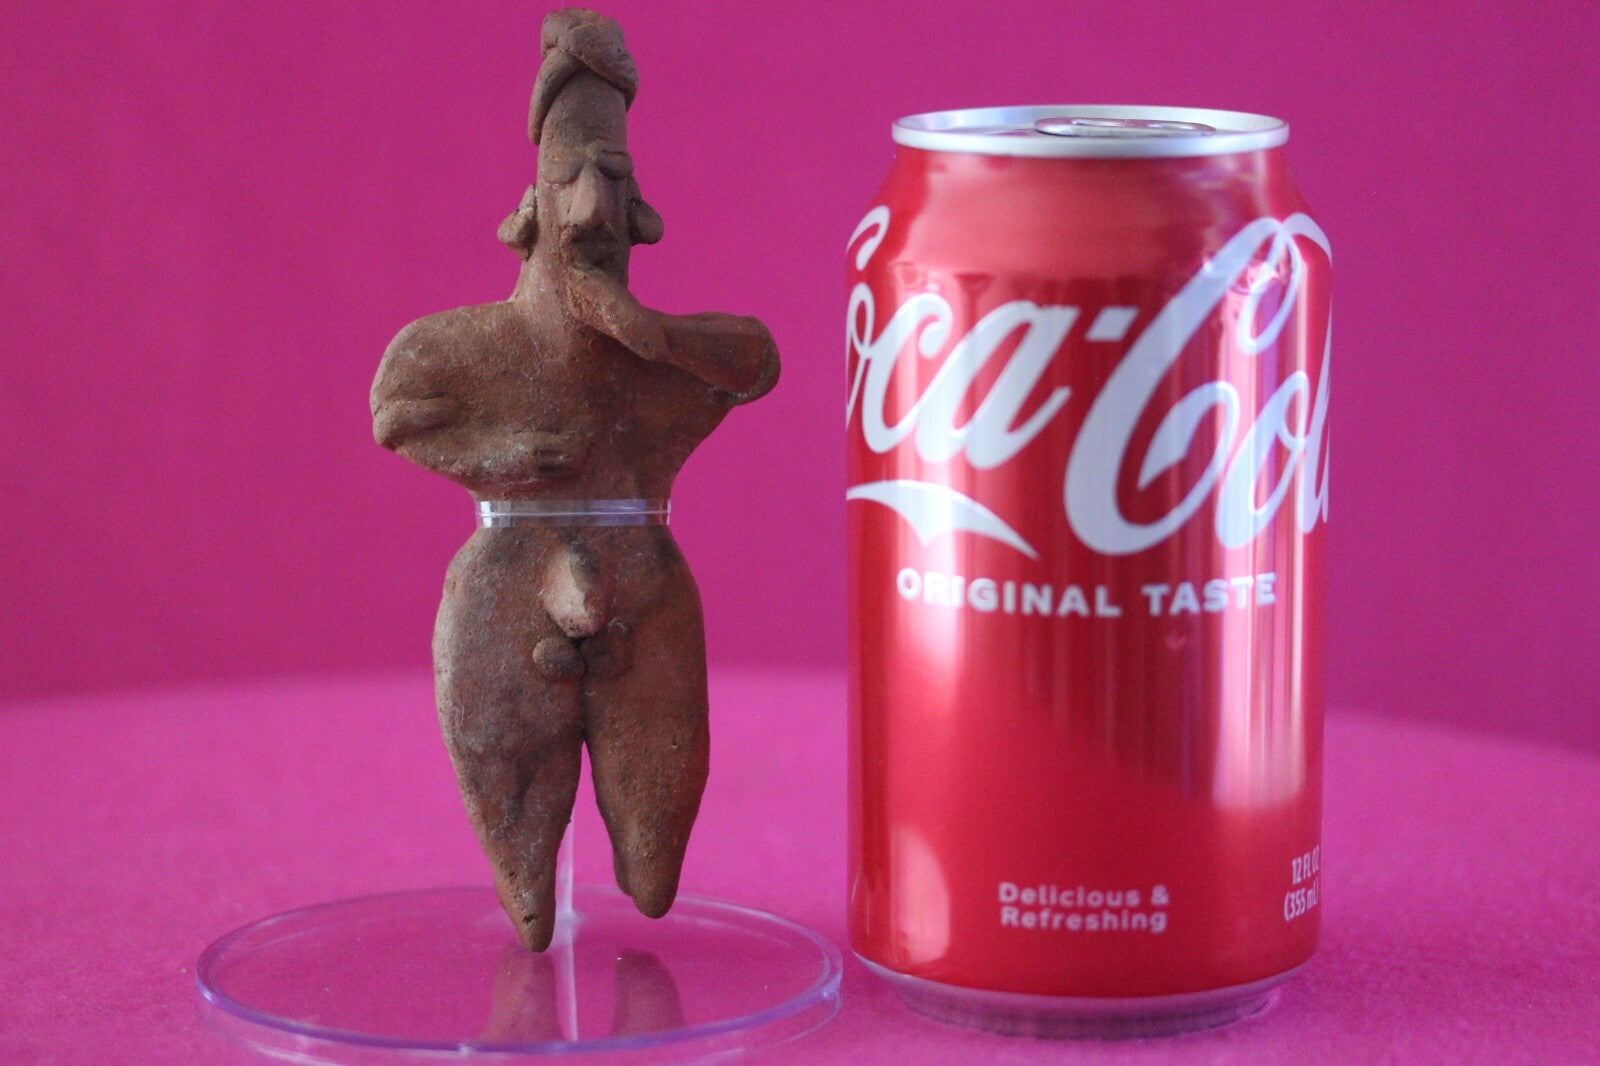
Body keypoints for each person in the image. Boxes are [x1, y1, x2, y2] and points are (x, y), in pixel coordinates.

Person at [370, 9, 778, 952]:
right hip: (506, 577)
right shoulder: (461, 347)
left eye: (613, 180)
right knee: (518, 827)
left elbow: (757, 360)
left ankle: (616, 881)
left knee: (652, 860)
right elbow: (395, 415)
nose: (592, 210)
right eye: (568, 181)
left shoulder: (671, 363)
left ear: (640, 212)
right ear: (531, 209)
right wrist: (498, 459)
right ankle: (528, 893)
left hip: (643, 578)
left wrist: (649, 334)